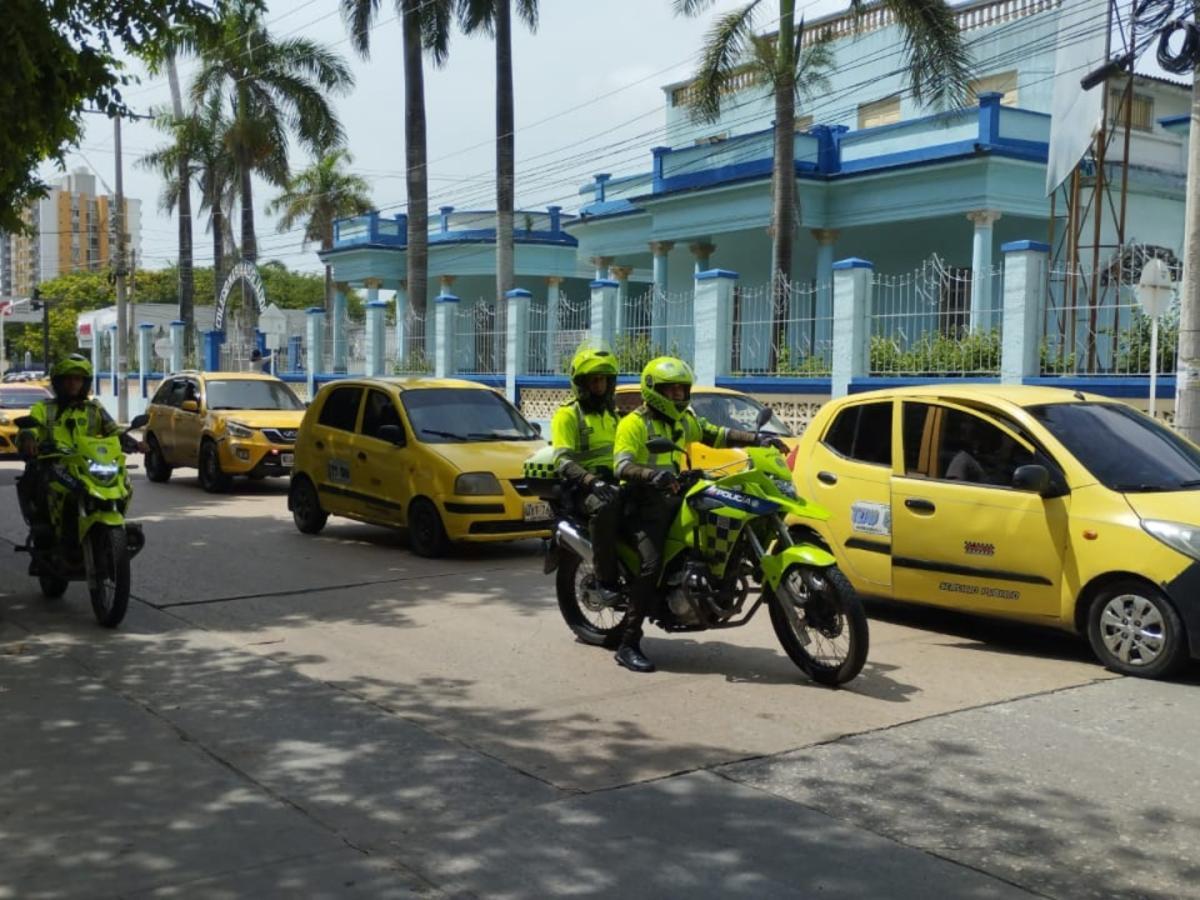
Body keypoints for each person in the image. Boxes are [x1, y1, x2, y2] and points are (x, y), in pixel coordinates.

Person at [611, 357, 788, 673]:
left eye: (682, 390)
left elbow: (715, 434)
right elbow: (621, 465)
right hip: (641, 503)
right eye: (672, 391)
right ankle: (628, 642)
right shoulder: (634, 424)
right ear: (654, 392)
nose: (678, 396)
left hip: (675, 495)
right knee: (651, 565)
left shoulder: (683, 421)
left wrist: (757, 439)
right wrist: (652, 476)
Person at [16, 355, 139, 562]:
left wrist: (134, 443)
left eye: (78, 379)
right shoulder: (44, 408)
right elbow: (31, 426)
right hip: (56, 464)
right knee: (37, 480)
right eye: (68, 379)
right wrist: (28, 438)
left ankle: (112, 535)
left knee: (120, 480)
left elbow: (113, 430)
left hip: (87, 464)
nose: (73, 383)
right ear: (59, 382)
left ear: (85, 383)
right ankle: (45, 534)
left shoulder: (94, 408)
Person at [551, 346, 622, 599]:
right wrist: (591, 481)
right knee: (605, 508)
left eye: (604, 379)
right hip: (583, 488)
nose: (600, 385)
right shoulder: (568, 414)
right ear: (582, 383)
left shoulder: (613, 415)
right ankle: (606, 580)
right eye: (594, 380)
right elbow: (561, 460)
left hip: (613, 482)